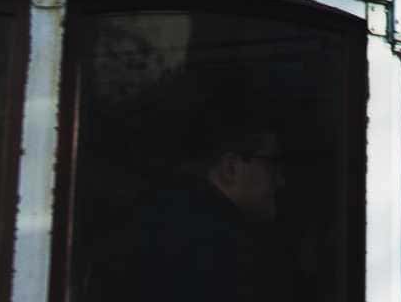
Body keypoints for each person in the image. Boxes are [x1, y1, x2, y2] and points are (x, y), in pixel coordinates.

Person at [81, 103, 287, 302]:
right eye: (272, 165)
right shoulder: (218, 246)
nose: (281, 181)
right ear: (230, 167)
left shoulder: (153, 216)